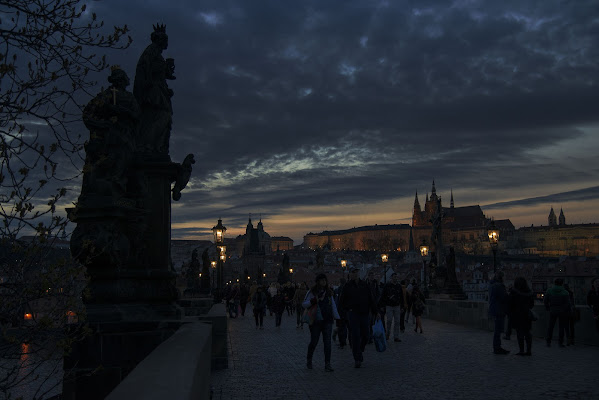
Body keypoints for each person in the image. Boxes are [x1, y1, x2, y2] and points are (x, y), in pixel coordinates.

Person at [340, 268, 379, 368]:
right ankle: (357, 358)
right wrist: (346, 310)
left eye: (356, 272)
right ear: (350, 274)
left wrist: (375, 311)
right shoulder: (347, 286)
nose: (355, 274)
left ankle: (360, 349)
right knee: (355, 336)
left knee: (366, 334)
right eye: (353, 272)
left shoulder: (364, 285)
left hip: (364, 313)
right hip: (353, 314)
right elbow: (342, 301)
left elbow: (371, 299)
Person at [302, 274, 340, 372]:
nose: (323, 282)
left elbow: (333, 305)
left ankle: (327, 364)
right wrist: (314, 300)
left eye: (325, 280)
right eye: (321, 280)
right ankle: (309, 360)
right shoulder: (312, 292)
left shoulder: (328, 292)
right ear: (318, 281)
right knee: (314, 341)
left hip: (327, 320)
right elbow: (304, 304)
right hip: (315, 321)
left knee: (327, 343)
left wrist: (337, 317)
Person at [508, 276, 534, 356]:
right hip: (526, 314)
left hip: (517, 314)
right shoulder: (529, 292)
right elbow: (531, 305)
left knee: (519, 332)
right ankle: (529, 350)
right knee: (527, 332)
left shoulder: (514, 292)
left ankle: (521, 350)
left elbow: (510, 304)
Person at [544, 278, 571, 347]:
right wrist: (564, 309)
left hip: (552, 310)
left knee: (551, 326)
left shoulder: (549, 290)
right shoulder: (565, 292)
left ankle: (548, 342)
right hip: (562, 311)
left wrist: (548, 308)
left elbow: (545, 301)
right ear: (562, 284)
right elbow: (568, 303)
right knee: (561, 327)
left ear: (554, 283)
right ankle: (560, 343)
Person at [488, 271, 510, 354]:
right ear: (501, 278)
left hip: (494, 309)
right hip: (499, 309)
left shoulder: (492, 285)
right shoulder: (499, 286)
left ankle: (497, 347)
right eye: (504, 277)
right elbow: (504, 298)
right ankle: (497, 347)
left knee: (497, 330)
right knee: (498, 330)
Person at [379, 273, 405, 342]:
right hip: (389, 305)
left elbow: (402, 297)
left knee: (397, 321)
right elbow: (383, 296)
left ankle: (396, 336)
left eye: (396, 277)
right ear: (391, 278)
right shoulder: (387, 286)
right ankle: (387, 334)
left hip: (397, 306)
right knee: (389, 320)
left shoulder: (399, 286)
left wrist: (402, 306)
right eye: (394, 277)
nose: (395, 278)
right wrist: (382, 305)